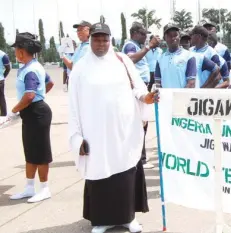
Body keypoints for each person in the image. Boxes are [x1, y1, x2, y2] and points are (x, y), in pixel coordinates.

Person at [68, 23, 158, 233]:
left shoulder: (122, 61)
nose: (101, 44)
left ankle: (128, 218)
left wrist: (146, 97)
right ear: (90, 40)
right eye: (97, 39)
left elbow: (138, 88)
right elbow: (73, 105)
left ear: (111, 40)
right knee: (100, 174)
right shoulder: (80, 67)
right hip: (95, 133)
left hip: (124, 130)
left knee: (126, 171)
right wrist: (76, 136)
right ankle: (102, 221)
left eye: (105, 40)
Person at [8, 32, 55, 203]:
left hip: (37, 113)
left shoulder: (31, 70)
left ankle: (44, 188)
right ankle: (29, 187)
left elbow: (29, 95)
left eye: (16, 49)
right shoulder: (32, 66)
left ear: (22, 51)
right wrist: (39, 96)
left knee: (40, 151)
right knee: (30, 150)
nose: (15, 52)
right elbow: (49, 83)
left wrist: (13, 110)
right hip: (32, 112)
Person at [122, 22, 161, 170]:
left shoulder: (136, 45)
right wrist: (148, 46)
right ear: (134, 33)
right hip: (136, 90)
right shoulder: (130, 46)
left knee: (143, 122)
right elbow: (131, 59)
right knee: (141, 123)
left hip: (141, 87)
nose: (146, 37)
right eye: (143, 34)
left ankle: (140, 157)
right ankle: (140, 159)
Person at [0, 49, 11, 116]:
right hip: (0, 80)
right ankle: (3, 115)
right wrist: (3, 76)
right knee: (1, 98)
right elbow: (8, 68)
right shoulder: (3, 55)